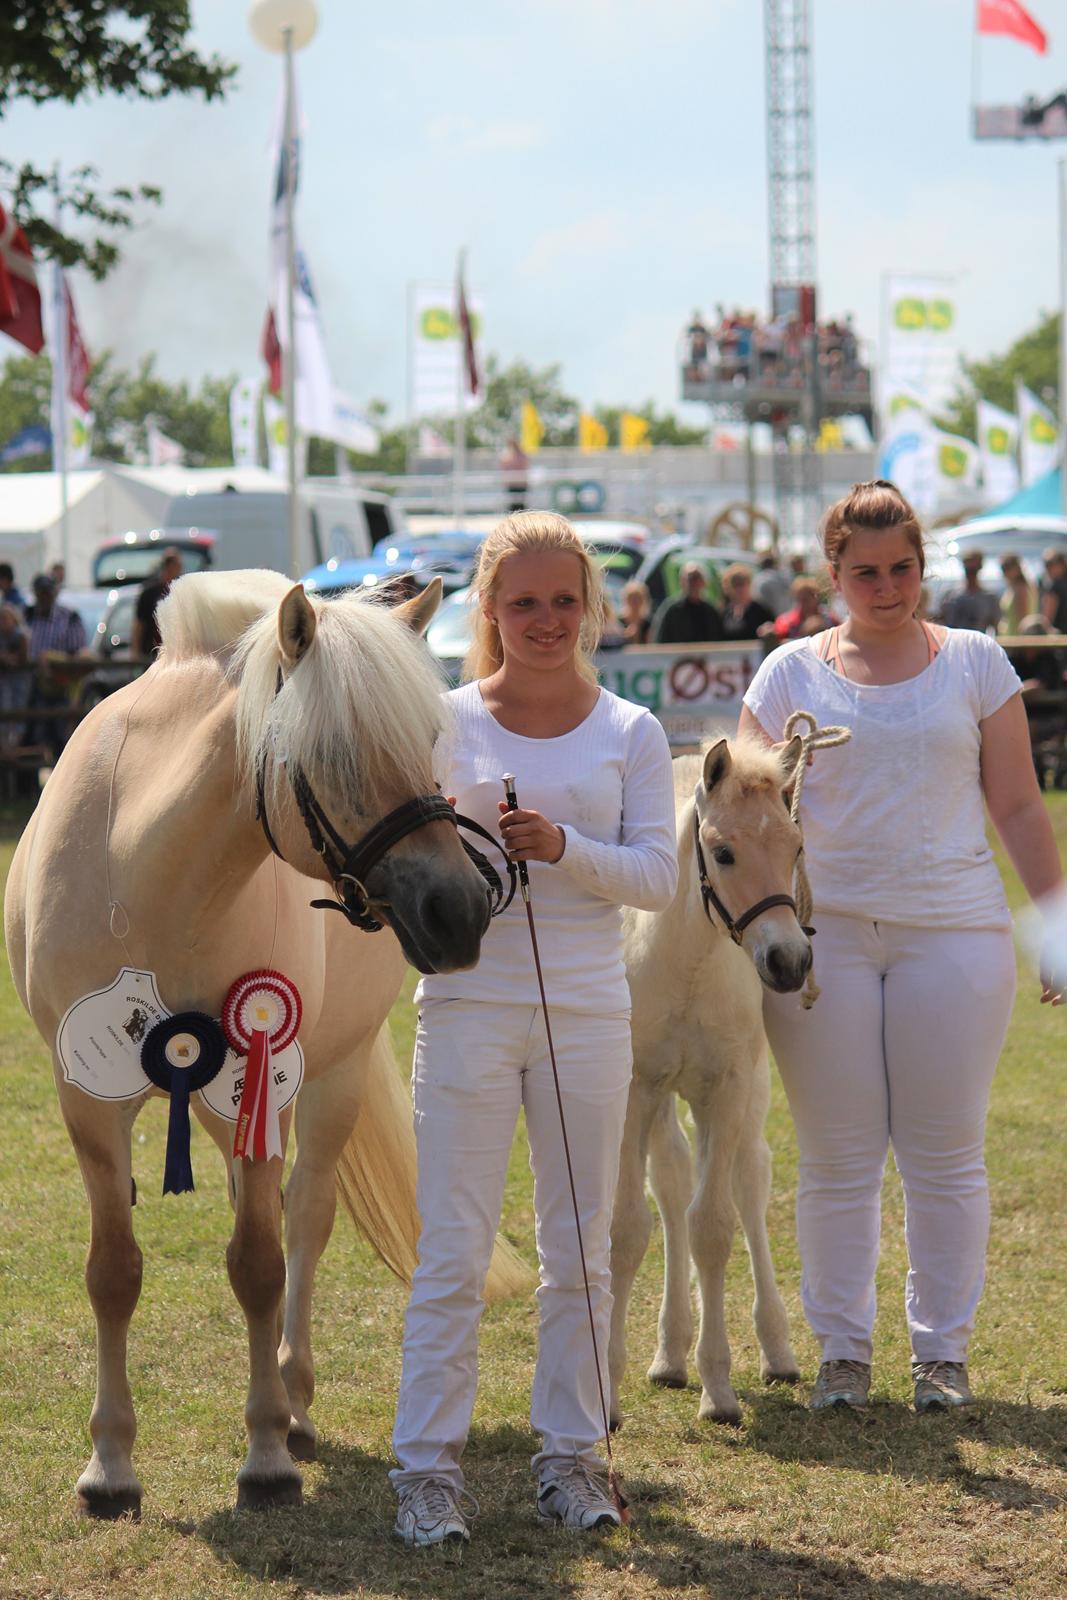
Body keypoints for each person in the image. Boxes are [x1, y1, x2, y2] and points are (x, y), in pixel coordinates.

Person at [738, 479, 1065, 1417]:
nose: (887, 587)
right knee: (836, 1157)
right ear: (832, 574)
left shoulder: (974, 660)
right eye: (865, 572)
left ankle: (941, 1357)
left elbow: (1014, 803)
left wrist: (1054, 925)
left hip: (954, 935)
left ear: (923, 567)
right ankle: (842, 1355)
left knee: (944, 1154)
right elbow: (747, 817)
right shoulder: (786, 675)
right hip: (821, 942)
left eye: (903, 569)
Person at [390, 511, 677, 1546]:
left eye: (564, 600)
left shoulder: (631, 731)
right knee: (453, 1251)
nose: (546, 620)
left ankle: (567, 1456)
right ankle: (425, 1470)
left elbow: (656, 874)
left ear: (591, 607)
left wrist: (561, 847)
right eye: (524, 602)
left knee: (580, 1247)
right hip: (465, 1004)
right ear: (490, 612)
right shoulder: (440, 721)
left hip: (591, 1010)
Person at [25, 573, 87, 758]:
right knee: (34, 737)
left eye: (47, 593)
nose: (44, 597)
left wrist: (52, 660)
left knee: (62, 739)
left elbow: (78, 653)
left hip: (61, 685)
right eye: (40, 593)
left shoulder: (69, 617)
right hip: (33, 687)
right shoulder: (27, 615)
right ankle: (32, 784)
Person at [651, 562, 724, 644]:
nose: (692, 583)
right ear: (681, 582)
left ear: (704, 582)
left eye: (696, 578)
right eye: (688, 579)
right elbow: (660, 640)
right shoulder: (671, 610)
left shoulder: (711, 612)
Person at [132, 549, 183, 658]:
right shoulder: (149, 593)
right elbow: (139, 624)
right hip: (151, 653)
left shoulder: (181, 593)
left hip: (174, 653)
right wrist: (135, 652)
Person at [939, 549, 1000, 634]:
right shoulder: (950, 595)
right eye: (968, 569)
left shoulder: (989, 598)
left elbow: (996, 627)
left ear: (980, 568)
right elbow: (940, 622)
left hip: (978, 644)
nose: (970, 575)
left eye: (973, 570)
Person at [764, 575, 831, 643]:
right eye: (798, 600)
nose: (801, 604)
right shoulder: (786, 622)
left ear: (816, 598)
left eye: (805, 600)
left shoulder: (829, 619)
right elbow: (778, 640)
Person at [0, 602, 30, 748]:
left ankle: (15, 744)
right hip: (5, 681)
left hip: (19, 680)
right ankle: (6, 746)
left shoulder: (20, 635)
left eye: (6, 618)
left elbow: (22, 658)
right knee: (5, 709)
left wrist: (10, 659)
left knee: (18, 711)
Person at [719, 563, 775, 641]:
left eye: (742, 584)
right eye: (735, 585)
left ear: (749, 584)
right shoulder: (724, 613)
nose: (739, 589)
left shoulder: (761, 611)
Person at [998, 554, 1036, 637]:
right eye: (1003, 568)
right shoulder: (1013, 588)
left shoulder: (1021, 589)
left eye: (1008, 568)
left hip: (1016, 640)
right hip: (1009, 637)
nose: (1005, 572)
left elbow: (1023, 621)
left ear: (1017, 568)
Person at [1040, 548, 1067, 633]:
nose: (1047, 568)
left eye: (1050, 564)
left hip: (1059, 638)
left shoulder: (1055, 587)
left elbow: (1047, 618)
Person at [618, 578, 652, 645]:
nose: (635, 602)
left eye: (638, 598)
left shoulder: (648, 623)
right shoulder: (619, 622)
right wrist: (624, 636)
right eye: (632, 598)